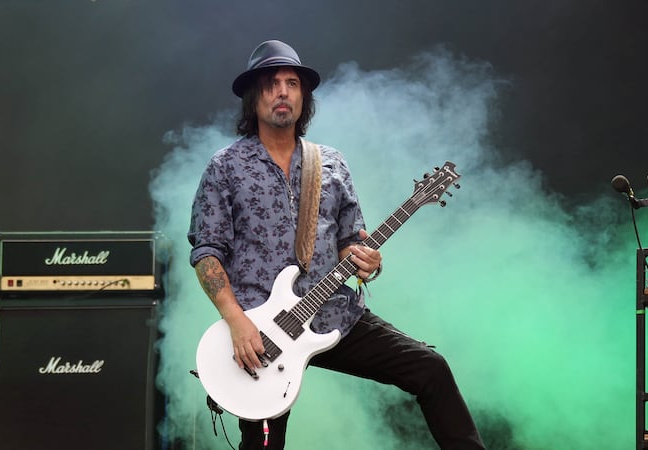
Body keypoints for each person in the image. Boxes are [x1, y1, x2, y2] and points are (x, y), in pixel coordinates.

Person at [188, 39, 485, 450]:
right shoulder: (225, 166)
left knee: (430, 368)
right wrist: (237, 324)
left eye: (292, 83)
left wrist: (366, 262)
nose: (283, 92)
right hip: (260, 333)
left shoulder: (330, 162)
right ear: (254, 97)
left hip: (334, 315)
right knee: (264, 442)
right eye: (272, 83)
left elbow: (350, 242)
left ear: (303, 97)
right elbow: (207, 253)